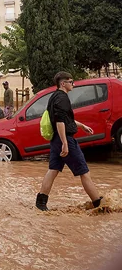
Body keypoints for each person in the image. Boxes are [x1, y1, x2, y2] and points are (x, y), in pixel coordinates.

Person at [36, 71, 103, 211]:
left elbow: (65, 119)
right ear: (63, 83)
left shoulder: (53, 97)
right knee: (84, 172)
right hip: (64, 139)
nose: (73, 84)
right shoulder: (63, 98)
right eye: (71, 82)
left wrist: (82, 126)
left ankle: (40, 203)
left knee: (52, 170)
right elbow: (60, 121)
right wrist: (65, 143)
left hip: (55, 140)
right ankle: (99, 204)